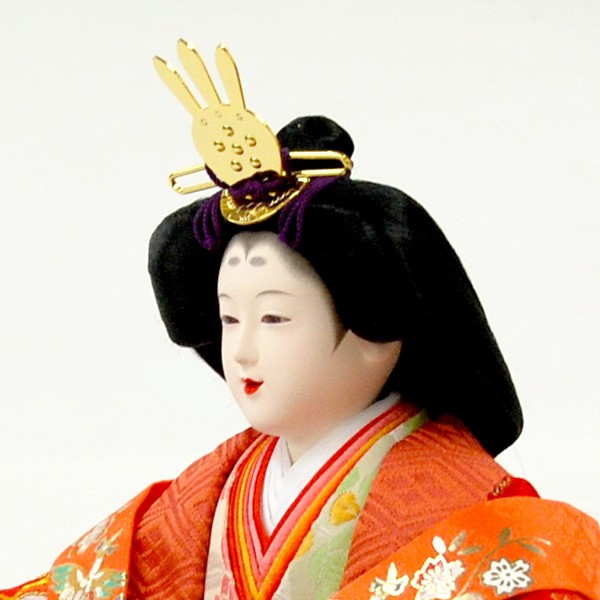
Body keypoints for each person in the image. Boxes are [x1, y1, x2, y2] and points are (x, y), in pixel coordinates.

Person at [2, 43, 598, 600]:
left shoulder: (467, 508)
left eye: (274, 317)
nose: (242, 350)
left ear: (375, 335)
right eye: (229, 318)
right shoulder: (212, 490)